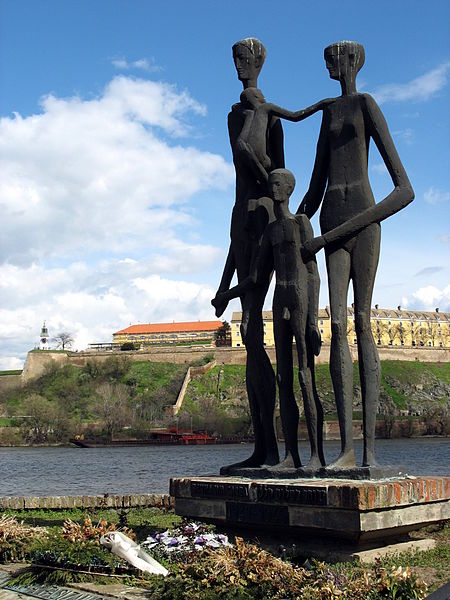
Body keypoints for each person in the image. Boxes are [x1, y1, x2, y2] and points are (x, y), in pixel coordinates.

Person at [298, 41, 414, 467]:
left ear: (353, 61)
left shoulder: (366, 104)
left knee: (363, 321)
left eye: (336, 56)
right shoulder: (328, 112)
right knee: (338, 324)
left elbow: (405, 188)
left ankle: (368, 451)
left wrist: (360, 221)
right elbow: (314, 186)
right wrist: (293, 223)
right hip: (331, 221)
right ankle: (346, 448)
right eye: (325, 55)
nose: (329, 62)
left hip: (362, 223)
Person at [213, 169, 325, 469]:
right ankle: (291, 455)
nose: (273, 188)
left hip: (300, 299)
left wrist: (313, 318)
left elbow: (313, 274)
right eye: (272, 183)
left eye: (279, 184)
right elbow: (255, 277)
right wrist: (226, 293)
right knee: (284, 378)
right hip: (279, 303)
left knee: (305, 375)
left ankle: (316, 455)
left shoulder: (301, 223)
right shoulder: (272, 232)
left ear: (289, 189)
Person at [214, 38, 283, 472]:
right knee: (251, 341)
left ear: (260, 61)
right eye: (234, 58)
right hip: (241, 216)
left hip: (263, 217)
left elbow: (278, 175)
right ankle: (263, 446)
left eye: (247, 58)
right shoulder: (233, 116)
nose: (240, 65)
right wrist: (223, 285)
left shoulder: (269, 115)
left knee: (261, 335)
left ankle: (276, 450)